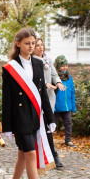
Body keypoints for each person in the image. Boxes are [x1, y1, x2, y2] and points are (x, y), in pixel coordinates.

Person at [2, 28, 55, 179]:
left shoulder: (39, 64)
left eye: (33, 43)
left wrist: (50, 118)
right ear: (18, 44)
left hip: (35, 117)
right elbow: (7, 98)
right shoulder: (10, 67)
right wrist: (6, 127)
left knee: (23, 155)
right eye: (27, 43)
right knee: (30, 153)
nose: (31, 46)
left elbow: (43, 95)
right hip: (19, 119)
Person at [33, 38, 65, 168]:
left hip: (49, 98)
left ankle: (53, 155)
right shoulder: (32, 61)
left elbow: (54, 74)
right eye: (38, 45)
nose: (41, 48)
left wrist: (57, 82)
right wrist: (44, 84)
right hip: (37, 97)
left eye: (42, 45)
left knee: (48, 127)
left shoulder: (47, 60)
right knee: (40, 127)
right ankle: (41, 154)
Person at [54, 55, 76, 147]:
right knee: (52, 124)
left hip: (67, 106)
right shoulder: (54, 76)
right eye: (63, 65)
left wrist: (73, 107)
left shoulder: (69, 77)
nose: (65, 67)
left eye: (66, 65)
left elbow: (72, 92)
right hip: (56, 107)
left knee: (68, 124)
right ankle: (47, 140)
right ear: (58, 66)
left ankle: (68, 140)